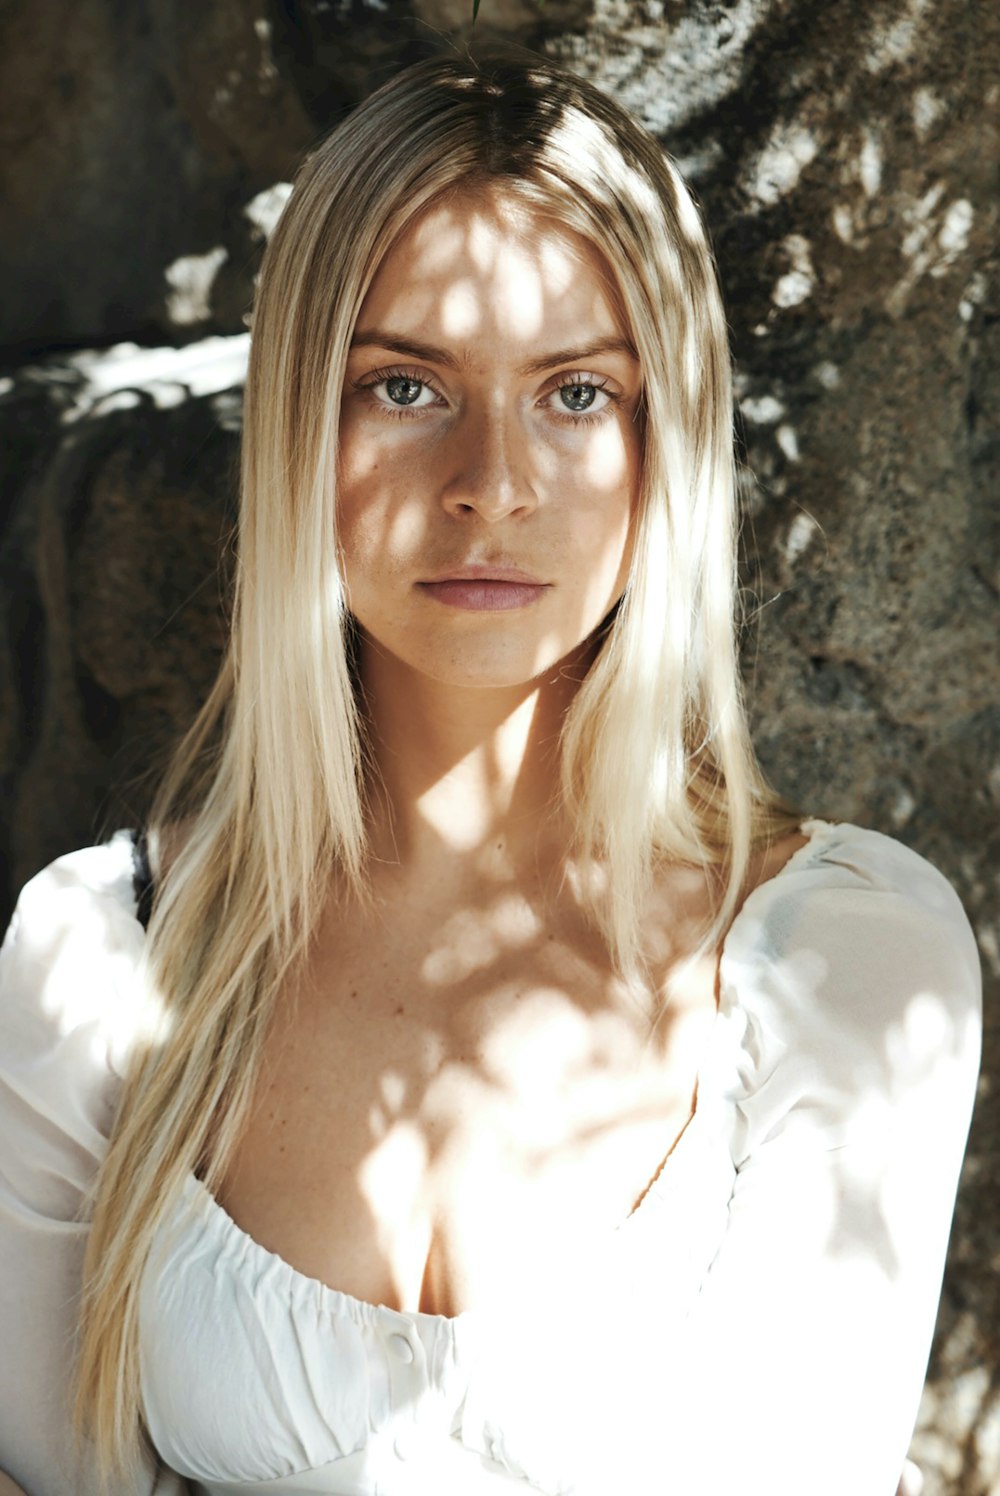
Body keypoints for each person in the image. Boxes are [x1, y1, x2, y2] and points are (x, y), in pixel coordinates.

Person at [0, 45, 982, 1496]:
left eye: (577, 395)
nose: (493, 481)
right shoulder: (101, 963)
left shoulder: (845, 965)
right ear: (300, 430)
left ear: (668, 445)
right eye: (406, 385)